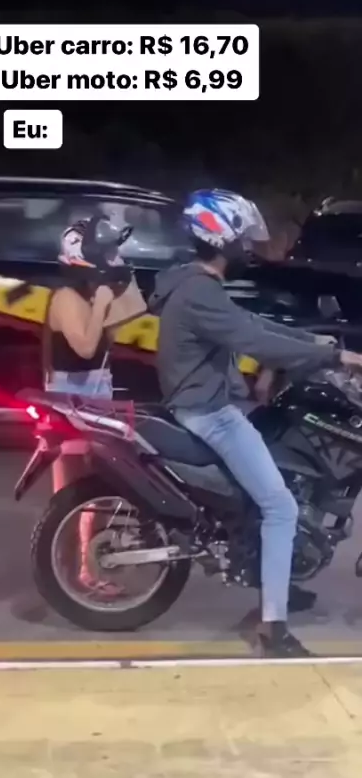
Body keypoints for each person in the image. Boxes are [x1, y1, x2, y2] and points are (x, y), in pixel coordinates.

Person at [149, 188, 362, 657]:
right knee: (281, 508)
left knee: (279, 462)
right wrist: (337, 357)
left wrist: (318, 342)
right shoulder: (199, 292)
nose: (247, 249)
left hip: (211, 403)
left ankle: (277, 577)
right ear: (220, 240)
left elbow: (254, 325)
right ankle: (272, 628)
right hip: (211, 413)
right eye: (241, 240)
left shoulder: (193, 283)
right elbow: (254, 340)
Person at [45, 213, 135, 594]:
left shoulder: (88, 295)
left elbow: (112, 333)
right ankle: (70, 573)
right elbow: (84, 347)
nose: (111, 258)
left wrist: (120, 292)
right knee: (73, 493)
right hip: (71, 401)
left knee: (98, 489)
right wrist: (102, 302)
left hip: (96, 396)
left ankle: (85, 569)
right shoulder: (66, 298)